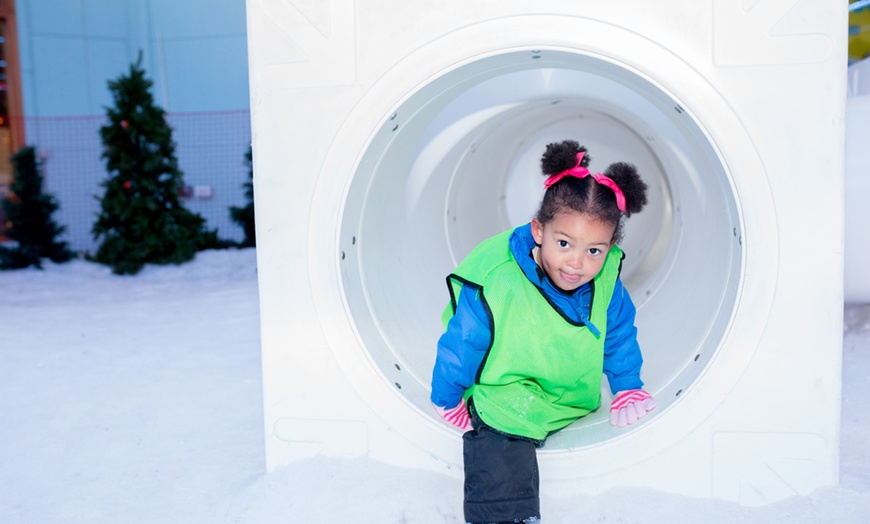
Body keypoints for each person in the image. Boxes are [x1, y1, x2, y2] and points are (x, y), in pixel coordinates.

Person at [430, 139, 656, 524]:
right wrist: (448, 395)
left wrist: (627, 385)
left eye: (594, 251)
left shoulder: (605, 282)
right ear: (539, 230)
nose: (577, 263)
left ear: (610, 247)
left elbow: (617, 332)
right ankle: (507, 517)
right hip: (506, 383)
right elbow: (464, 338)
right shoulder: (496, 277)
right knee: (499, 434)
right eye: (564, 243)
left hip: (567, 387)